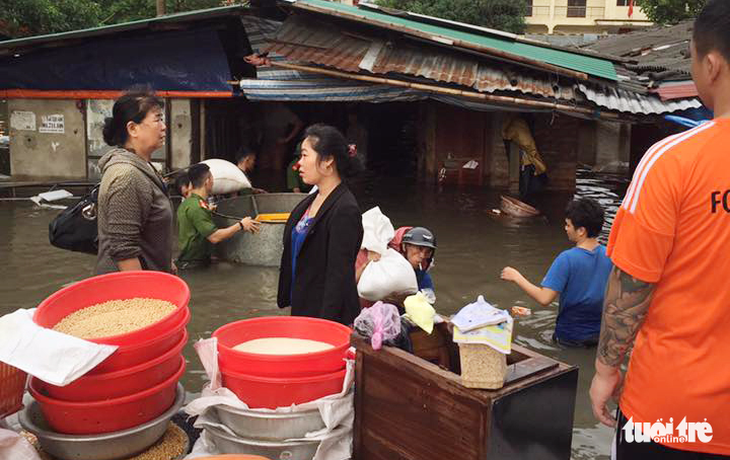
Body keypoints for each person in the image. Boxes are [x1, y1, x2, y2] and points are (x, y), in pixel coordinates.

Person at [590, 2, 730, 457]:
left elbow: (632, 282)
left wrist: (606, 370)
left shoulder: (671, 161)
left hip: (674, 416)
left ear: (711, 64)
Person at [277, 124, 363, 325]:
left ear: (327, 161)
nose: (298, 164)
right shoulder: (312, 199)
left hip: (325, 316)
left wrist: (325, 326)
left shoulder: (344, 209)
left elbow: (338, 277)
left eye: (305, 156)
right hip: (303, 303)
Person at [501, 198, 612, 347]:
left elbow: (544, 298)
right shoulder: (610, 256)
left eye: (568, 225)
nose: (565, 228)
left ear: (581, 231)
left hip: (569, 337)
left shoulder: (567, 259)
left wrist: (516, 277)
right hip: (600, 338)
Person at [96, 90, 174, 274]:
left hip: (153, 281)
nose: (163, 127)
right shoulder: (127, 176)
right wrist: (141, 299)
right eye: (157, 119)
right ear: (133, 129)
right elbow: (123, 251)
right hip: (128, 293)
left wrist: (166, 262)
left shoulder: (143, 167)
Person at [176, 163, 260, 269]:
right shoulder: (197, 208)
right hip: (193, 266)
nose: (213, 181)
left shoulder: (189, 203)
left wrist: (207, 210)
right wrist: (241, 225)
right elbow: (214, 237)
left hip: (193, 261)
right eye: (211, 178)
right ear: (207, 181)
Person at [502, 114, 548, 202]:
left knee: (525, 177)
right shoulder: (522, 125)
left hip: (527, 159)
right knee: (528, 175)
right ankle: (526, 195)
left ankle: (524, 195)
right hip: (529, 158)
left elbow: (507, 136)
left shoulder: (516, 125)